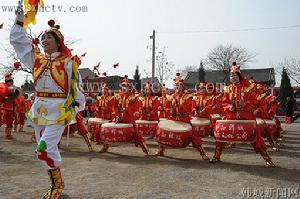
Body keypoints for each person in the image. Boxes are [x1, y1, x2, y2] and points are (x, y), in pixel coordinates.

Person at [10, 2, 85, 198]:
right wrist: (20, 20)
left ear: (58, 41)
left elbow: (75, 90)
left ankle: (57, 186)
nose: (44, 41)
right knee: (41, 149)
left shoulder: (68, 63)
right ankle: (56, 183)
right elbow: (18, 41)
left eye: (48, 38)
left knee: (44, 147)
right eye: (43, 38)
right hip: (39, 110)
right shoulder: (36, 60)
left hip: (59, 110)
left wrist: (74, 108)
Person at [210, 62, 275, 167]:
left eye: (235, 75)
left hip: (246, 116)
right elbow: (224, 103)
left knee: (255, 137)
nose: (233, 77)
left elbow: (254, 101)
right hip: (231, 116)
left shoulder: (249, 88)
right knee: (221, 134)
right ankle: (217, 155)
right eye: (231, 75)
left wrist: (245, 104)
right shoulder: (227, 89)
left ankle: (267, 158)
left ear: (239, 76)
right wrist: (229, 107)